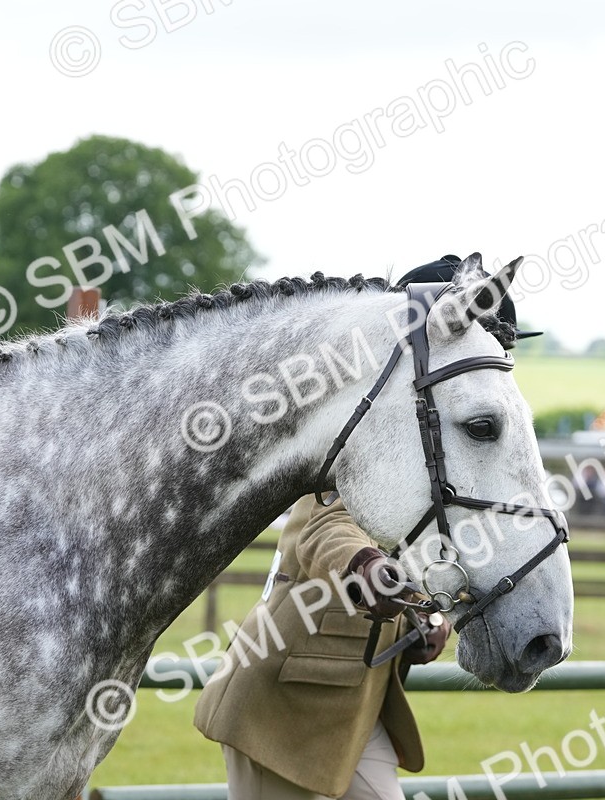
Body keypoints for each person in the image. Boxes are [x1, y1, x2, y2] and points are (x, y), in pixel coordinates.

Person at [193, 255, 540, 799]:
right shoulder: (363, 432)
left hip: (357, 704)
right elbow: (324, 526)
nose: (493, 354)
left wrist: (423, 620)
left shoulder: (425, 449)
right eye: (484, 335)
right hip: (285, 704)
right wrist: (366, 565)